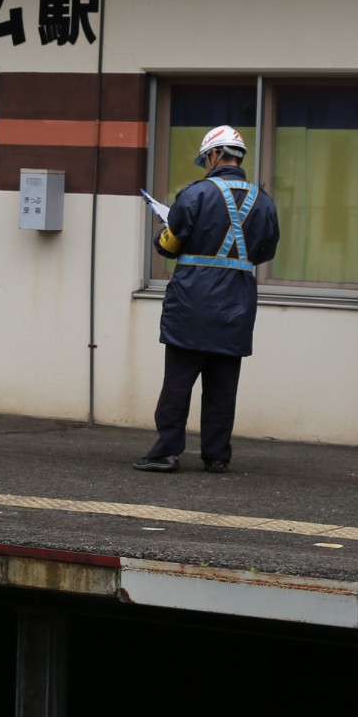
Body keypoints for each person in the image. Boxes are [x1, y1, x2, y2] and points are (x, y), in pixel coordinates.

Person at [133, 124, 281, 474]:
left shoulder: (195, 193)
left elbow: (169, 245)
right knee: (223, 386)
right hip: (236, 302)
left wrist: (163, 231)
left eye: (206, 158)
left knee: (178, 383)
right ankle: (217, 455)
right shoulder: (264, 202)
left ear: (214, 155)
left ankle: (166, 452)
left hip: (192, 301)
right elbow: (264, 252)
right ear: (238, 157)